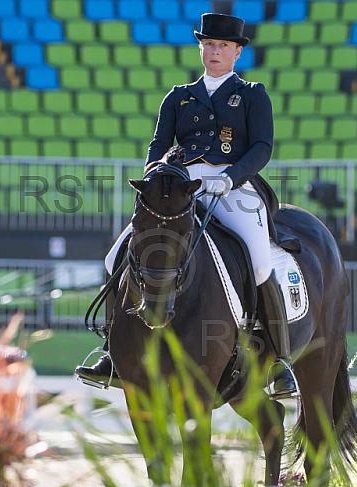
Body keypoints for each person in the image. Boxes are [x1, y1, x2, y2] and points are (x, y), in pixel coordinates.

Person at [76, 13, 297, 399]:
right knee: (116, 256)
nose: (214, 52)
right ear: (200, 48)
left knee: (261, 261)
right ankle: (112, 352)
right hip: (179, 189)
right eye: (208, 45)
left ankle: (276, 360)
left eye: (223, 46)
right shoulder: (178, 96)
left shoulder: (252, 94)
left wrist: (231, 177)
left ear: (237, 52)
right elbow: (158, 144)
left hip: (233, 187)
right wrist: (157, 173)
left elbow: (262, 146)